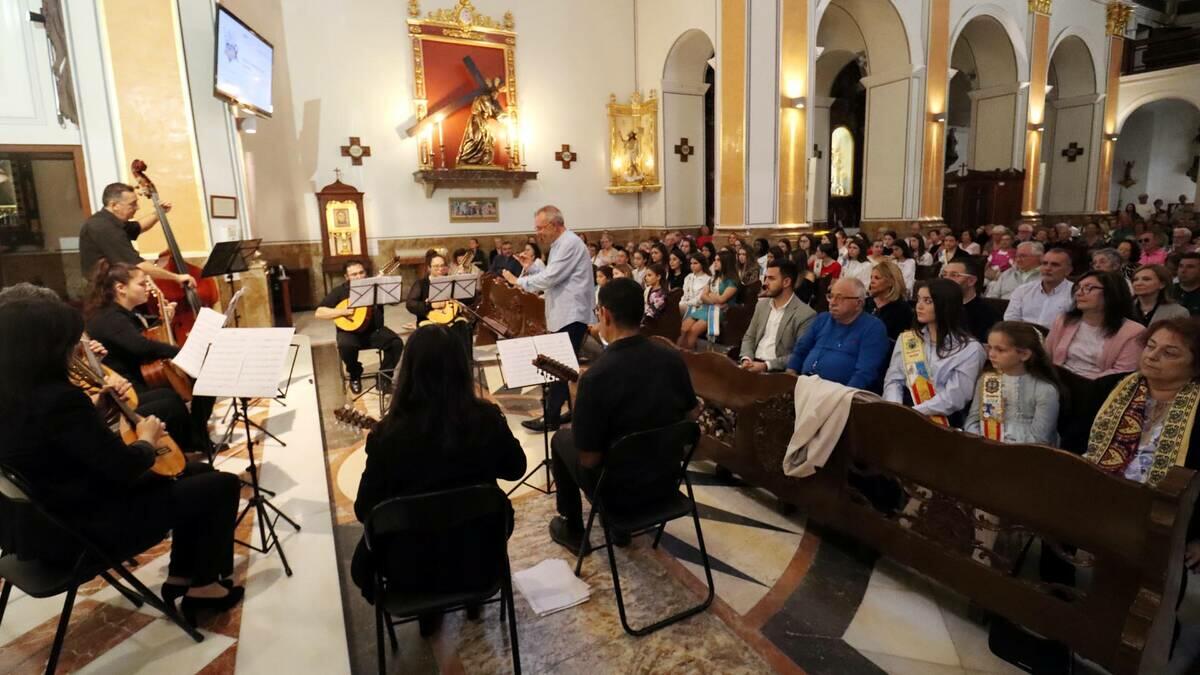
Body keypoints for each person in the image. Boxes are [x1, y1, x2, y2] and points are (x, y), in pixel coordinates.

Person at [0, 296, 243, 623]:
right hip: (82, 532)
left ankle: (187, 577)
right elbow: (124, 468)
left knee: (193, 470)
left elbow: (53, 449)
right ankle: (203, 591)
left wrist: (95, 418)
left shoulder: (14, 393)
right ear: (45, 348)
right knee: (221, 484)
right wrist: (146, 438)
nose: (74, 350)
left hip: (33, 530)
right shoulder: (60, 399)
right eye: (69, 343)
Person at [350, 324, 525, 634]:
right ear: (461, 369)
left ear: (409, 372)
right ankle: (471, 601)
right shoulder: (485, 419)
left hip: (410, 569)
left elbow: (365, 510)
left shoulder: (387, 436)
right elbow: (515, 468)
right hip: (480, 558)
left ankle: (428, 611)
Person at [547, 278, 698, 553]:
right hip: (666, 482)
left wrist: (578, 398)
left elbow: (588, 458)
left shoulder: (596, 377)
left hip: (618, 493)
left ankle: (572, 528)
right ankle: (618, 530)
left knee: (560, 439)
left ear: (604, 314)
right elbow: (692, 414)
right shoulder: (672, 358)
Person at [1082, 318, 1200, 584]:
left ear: (1195, 366)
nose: (1153, 356)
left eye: (1169, 353)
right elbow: (1074, 444)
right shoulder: (1108, 388)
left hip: (1163, 515)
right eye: (1151, 346)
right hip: (1097, 492)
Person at [84, 262, 217, 454]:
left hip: (135, 381)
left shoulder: (118, 313)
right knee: (178, 391)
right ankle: (192, 437)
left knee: (192, 382)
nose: (147, 288)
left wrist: (163, 320)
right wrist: (180, 352)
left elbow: (135, 332)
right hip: (125, 389)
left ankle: (194, 435)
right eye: (142, 284)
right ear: (120, 288)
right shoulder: (109, 318)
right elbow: (141, 346)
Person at [503, 206, 595, 433]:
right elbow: (554, 271)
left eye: (540, 227)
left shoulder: (570, 243)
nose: (537, 233)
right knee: (562, 366)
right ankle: (568, 412)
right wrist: (531, 267)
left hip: (572, 313)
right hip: (563, 312)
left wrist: (519, 282)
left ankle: (552, 417)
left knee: (559, 367)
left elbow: (553, 277)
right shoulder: (560, 244)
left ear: (554, 225)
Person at [883, 279, 987, 426]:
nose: (919, 306)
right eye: (918, 299)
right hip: (901, 411)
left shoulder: (970, 349)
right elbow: (893, 380)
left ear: (946, 305)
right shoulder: (907, 339)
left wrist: (912, 413)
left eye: (928, 301)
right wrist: (894, 409)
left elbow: (956, 396)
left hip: (942, 419)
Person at [78, 182, 195, 288]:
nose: (137, 208)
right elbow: (138, 265)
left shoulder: (111, 221)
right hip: (105, 296)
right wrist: (177, 277)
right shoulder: (103, 227)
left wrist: (159, 212)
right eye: (132, 204)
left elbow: (139, 226)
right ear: (114, 205)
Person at [315, 260, 405, 394]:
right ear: (346, 277)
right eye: (354, 274)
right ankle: (355, 374)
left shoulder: (376, 287)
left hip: (375, 331)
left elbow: (394, 301)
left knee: (396, 343)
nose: (359, 277)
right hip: (349, 333)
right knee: (346, 346)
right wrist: (342, 312)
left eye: (361, 273)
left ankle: (384, 378)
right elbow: (319, 312)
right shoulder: (340, 291)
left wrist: (385, 285)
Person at [964, 321, 1062, 445]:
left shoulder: (1045, 390)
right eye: (990, 347)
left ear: (1024, 355)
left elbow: (1039, 439)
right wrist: (981, 442)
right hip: (986, 445)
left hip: (1026, 454)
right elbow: (972, 421)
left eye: (1000, 350)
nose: (991, 354)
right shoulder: (987, 380)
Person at [786, 278, 890, 391]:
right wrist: (790, 381)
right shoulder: (822, 319)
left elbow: (864, 373)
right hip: (804, 385)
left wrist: (843, 398)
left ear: (858, 303)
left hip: (839, 395)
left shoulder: (873, 328)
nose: (832, 302)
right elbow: (800, 351)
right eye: (831, 296)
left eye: (840, 298)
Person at [1045, 271, 1144, 380]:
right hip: (1059, 381)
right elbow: (1047, 355)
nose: (1079, 293)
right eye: (1078, 287)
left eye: (1088, 288)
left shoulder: (1133, 332)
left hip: (1099, 388)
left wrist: (1077, 382)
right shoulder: (1064, 320)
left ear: (1111, 293)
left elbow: (1121, 374)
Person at [740, 259, 816, 373]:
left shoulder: (806, 314)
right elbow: (749, 337)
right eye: (766, 278)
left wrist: (766, 365)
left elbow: (800, 354)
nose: (765, 283)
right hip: (752, 364)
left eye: (771, 278)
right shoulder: (762, 305)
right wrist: (746, 358)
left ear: (786, 282)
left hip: (777, 372)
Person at [679, 251, 737, 351]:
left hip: (718, 312)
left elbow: (722, 299)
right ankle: (678, 355)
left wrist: (709, 295)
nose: (715, 262)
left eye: (718, 260)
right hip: (706, 308)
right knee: (684, 328)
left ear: (726, 262)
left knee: (693, 330)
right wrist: (713, 297)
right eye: (714, 260)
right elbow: (703, 296)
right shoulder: (713, 278)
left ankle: (688, 359)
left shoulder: (732, 282)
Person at [1003, 248, 1074, 329]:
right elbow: (1010, 321)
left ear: (1068, 271)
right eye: (1044, 263)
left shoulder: (1075, 293)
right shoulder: (1022, 290)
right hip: (1024, 337)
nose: (1048, 268)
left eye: (1055, 265)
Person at [941, 257, 999, 343]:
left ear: (971, 281)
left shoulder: (987, 313)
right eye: (944, 275)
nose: (946, 279)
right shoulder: (936, 306)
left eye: (954, 275)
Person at [865, 260, 914, 346]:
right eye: (871, 277)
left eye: (877, 278)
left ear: (891, 282)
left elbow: (901, 342)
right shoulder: (866, 302)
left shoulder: (902, 309)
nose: (872, 281)